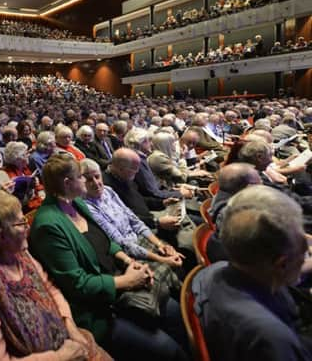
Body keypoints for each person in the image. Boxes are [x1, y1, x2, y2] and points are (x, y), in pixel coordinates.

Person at [29, 154, 188, 361]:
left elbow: (108, 242)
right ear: (68, 183)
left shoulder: (76, 203)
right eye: (82, 177)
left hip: (122, 277)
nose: (89, 182)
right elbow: (78, 284)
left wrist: (130, 262)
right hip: (100, 308)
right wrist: (126, 280)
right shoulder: (48, 224)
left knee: (177, 312)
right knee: (168, 350)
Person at [0, 190, 112, 361]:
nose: (28, 227)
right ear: (2, 236)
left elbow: (51, 289)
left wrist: (70, 327)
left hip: (68, 342)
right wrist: (59, 357)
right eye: (21, 222)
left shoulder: (21, 253)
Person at [193, 186, 312, 361]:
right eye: (305, 253)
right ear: (281, 263)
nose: (306, 254)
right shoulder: (273, 338)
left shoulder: (214, 272)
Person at [80, 159, 184, 269]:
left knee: (173, 253)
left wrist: (160, 245)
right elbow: (121, 242)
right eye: (89, 180)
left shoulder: (108, 191)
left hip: (138, 237)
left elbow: (133, 219)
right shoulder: (87, 206)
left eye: (97, 176)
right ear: (81, 182)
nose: (96, 183)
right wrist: (162, 259)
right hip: (126, 252)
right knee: (168, 267)